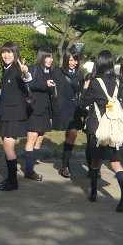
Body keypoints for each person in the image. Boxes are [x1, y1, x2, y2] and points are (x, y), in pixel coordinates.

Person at [80, 50, 123, 213]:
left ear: (99, 63)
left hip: (98, 127)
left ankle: (93, 193)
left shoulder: (95, 82)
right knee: (115, 162)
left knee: (95, 160)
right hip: (114, 128)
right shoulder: (118, 81)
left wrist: (84, 89)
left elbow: (83, 102)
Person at [0, 42, 32, 192]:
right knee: (6, 146)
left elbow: (27, 79)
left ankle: (13, 182)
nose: (6, 55)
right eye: (4, 52)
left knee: (8, 146)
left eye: (9, 52)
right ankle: (10, 179)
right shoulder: (6, 69)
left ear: (15, 53)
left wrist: (26, 73)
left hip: (14, 114)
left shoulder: (17, 69)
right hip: (6, 113)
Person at [23, 47, 58, 182]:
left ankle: (31, 167)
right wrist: (45, 84)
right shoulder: (33, 69)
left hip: (45, 110)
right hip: (34, 109)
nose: (50, 60)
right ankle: (29, 171)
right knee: (31, 139)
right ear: (42, 57)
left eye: (51, 57)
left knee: (39, 139)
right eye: (47, 57)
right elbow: (29, 84)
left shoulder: (50, 72)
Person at [52, 49, 85, 178]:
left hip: (74, 108)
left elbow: (81, 91)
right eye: (70, 60)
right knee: (70, 133)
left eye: (75, 60)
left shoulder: (80, 74)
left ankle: (65, 164)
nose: (73, 63)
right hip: (62, 107)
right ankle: (65, 164)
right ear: (65, 60)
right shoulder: (57, 72)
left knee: (72, 133)